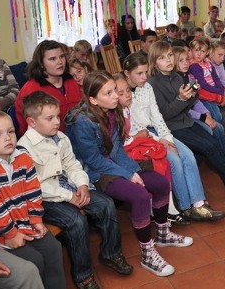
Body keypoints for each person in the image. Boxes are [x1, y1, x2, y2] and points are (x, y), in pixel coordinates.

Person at [65, 71, 193, 277]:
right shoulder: (82, 122)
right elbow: (94, 160)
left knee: (160, 183)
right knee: (140, 195)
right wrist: (126, 173)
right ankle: (147, 253)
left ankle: (162, 233)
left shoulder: (112, 111)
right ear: (93, 100)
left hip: (113, 163)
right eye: (108, 93)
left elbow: (116, 149)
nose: (115, 96)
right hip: (94, 173)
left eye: (115, 91)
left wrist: (133, 169)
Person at [18, 91, 133, 289]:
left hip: (70, 188)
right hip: (43, 198)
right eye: (50, 118)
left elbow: (72, 165)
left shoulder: (60, 137)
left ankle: (111, 254)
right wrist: (68, 196)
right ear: (31, 122)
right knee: (76, 221)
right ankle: (83, 276)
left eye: (57, 116)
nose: (56, 122)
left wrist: (81, 184)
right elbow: (36, 185)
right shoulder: (24, 149)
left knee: (105, 204)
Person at [146, 41, 225, 203]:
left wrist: (192, 93)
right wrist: (181, 98)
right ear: (154, 62)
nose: (168, 60)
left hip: (185, 122)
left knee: (213, 141)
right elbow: (165, 115)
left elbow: (187, 106)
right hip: (171, 128)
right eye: (162, 58)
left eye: (169, 56)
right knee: (209, 146)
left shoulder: (176, 77)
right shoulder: (153, 84)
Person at [114, 64, 225, 223]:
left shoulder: (145, 89)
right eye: (139, 73)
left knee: (187, 156)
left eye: (146, 72)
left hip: (155, 133)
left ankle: (199, 203)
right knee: (174, 161)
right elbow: (137, 130)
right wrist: (158, 140)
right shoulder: (124, 104)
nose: (144, 77)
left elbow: (157, 116)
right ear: (127, 74)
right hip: (145, 139)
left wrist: (167, 138)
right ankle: (186, 207)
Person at [0, 110, 67, 289]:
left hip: (26, 223)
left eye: (11, 131)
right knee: (34, 260)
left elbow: (33, 191)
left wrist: (36, 219)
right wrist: (11, 234)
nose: (7, 138)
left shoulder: (22, 156)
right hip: (0, 234)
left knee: (53, 248)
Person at [188, 39, 225, 160]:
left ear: (207, 52)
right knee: (222, 116)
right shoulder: (193, 66)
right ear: (191, 52)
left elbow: (217, 79)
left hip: (215, 94)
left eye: (202, 51)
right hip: (206, 98)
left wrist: (222, 91)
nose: (199, 54)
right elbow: (202, 88)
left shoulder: (208, 64)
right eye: (196, 51)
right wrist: (219, 95)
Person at [15, 40, 83, 135]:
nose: (60, 62)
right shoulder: (31, 89)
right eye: (52, 59)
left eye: (62, 57)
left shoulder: (71, 80)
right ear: (41, 64)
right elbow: (26, 128)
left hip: (78, 134)